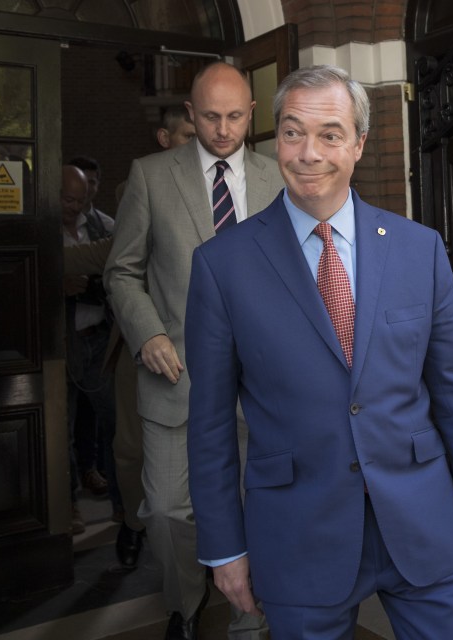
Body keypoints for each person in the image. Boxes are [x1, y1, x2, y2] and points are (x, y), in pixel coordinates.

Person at [184, 64, 453, 639]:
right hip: (297, 535)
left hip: (423, 523)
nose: (309, 152)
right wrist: (223, 547)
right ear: (275, 138)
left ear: (359, 144)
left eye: (330, 134)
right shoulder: (222, 265)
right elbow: (209, 425)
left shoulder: (419, 249)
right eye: (292, 132)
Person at [104, 61, 284, 640]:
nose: (223, 128)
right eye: (210, 116)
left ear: (251, 113)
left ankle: (247, 621)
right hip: (175, 380)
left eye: (235, 116)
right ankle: (184, 604)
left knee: (250, 508)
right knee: (166, 511)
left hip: (258, 386)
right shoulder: (151, 176)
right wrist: (148, 332)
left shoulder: (277, 179)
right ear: (189, 113)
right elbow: (122, 272)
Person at [61, 162, 118, 535]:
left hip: (99, 339)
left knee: (113, 423)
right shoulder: (36, 228)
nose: (76, 207)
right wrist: (56, 281)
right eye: (68, 198)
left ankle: (124, 506)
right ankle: (65, 505)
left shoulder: (103, 226)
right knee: (57, 427)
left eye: (82, 199)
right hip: (60, 342)